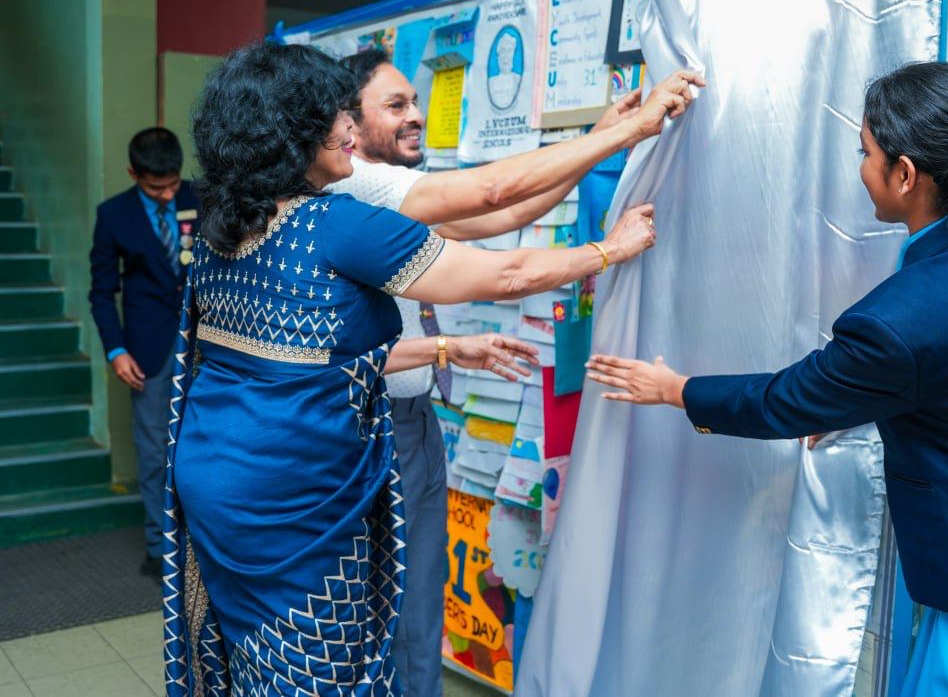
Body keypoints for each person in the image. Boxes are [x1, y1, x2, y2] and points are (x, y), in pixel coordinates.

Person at [586, 62, 948, 695]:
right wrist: (857, 400)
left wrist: (674, 388)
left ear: (905, 175)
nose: (859, 166)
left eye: (865, 152)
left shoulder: (898, 322)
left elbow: (784, 400)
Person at [162, 41, 673, 694]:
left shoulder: (221, 227)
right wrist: (608, 248)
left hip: (217, 477)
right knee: (319, 663)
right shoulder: (336, 223)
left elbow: (312, 356)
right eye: (334, 116)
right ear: (293, 134)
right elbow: (504, 268)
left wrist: (446, 350)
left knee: (254, 660)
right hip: (293, 492)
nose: (349, 129)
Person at [328, 48, 702, 697]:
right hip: (374, 429)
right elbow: (498, 219)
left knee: (415, 598)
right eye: (397, 106)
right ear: (349, 126)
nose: (416, 116)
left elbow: (505, 213)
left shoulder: (381, 194)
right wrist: (625, 152)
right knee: (397, 609)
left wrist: (592, 143)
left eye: (415, 102)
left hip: (407, 423)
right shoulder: (359, 185)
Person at [89, 127, 198, 581]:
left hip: (208, 343)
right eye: (157, 187)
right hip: (147, 351)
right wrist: (116, 350)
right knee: (154, 454)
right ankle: (160, 548)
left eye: (173, 183)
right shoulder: (113, 216)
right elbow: (101, 292)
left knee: (205, 447)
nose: (168, 193)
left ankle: (203, 545)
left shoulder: (202, 198)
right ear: (134, 173)